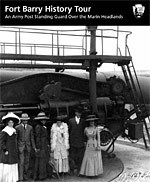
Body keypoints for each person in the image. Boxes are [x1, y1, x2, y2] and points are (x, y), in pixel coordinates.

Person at [15, 113, 36, 181]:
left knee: (27, 162)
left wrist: (34, 147)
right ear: (21, 120)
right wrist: (16, 147)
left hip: (28, 147)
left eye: (26, 120)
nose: (25, 121)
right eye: (23, 120)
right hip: (20, 147)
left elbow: (32, 138)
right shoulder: (17, 128)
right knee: (21, 162)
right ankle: (20, 177)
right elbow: (16, 139)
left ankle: (25, 176)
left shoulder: (30, 127)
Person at [0, 112, 20, 182]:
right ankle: (6, 179)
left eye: (12, 122)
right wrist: (5, 150)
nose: (11, 124)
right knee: (7, 164)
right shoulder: (4, 131)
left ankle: (13, 179)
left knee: (13, 163)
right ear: (7, 123)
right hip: (7, 151)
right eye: (10, 122)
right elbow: (2, 142)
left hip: (13, 150)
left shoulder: (14, 130)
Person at [68, 107, 86, 174]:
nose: (79, 114)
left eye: (80, 113)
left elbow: (84, 132)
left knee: (80, 157)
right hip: (73, 141)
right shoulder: (71, 121)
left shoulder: (83, 121)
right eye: (78, 113)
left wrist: (84, 141)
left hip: (80, 141)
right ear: (75, 113)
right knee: (72, 156)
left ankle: (79, 170)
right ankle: (72, 169)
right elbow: (69, 131)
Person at [33, 112, 50, 180]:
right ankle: (40, 176)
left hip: (44, 145)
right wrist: (38, 147)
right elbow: (37, 137)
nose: (44, 121)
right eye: (42, 120)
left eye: (44, 120)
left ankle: (43, 175)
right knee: (40, 161)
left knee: (43, 160)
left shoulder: (43, 127)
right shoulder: (38, 127)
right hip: (41, 146)